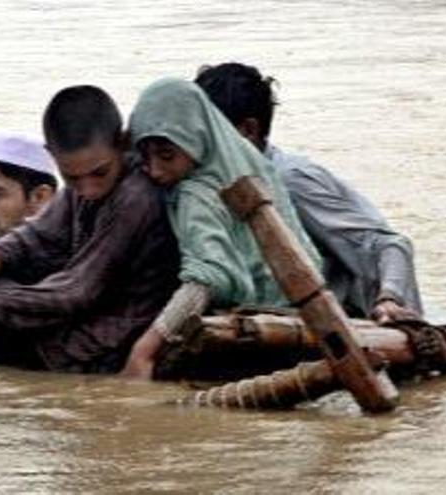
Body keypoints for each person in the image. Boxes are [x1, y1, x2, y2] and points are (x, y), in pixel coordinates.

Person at [0, 85, 180, 373]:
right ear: (53, 157)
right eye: (72, 178)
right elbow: (30, 240)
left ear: (122, 143)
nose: (88, 190)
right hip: (86, 309)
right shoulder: (84, 183)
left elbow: (77, 290)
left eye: (99, 173)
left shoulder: (136, 196)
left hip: (111, 337)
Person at [121, 77, 322, 379]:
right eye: (145, 158)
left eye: (166, 155)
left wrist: (144, 349)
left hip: (262, 326)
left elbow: (208, 278)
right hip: (307, 308)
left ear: (196, 136)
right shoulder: (244, 155)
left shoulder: (195, 194)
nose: (155, 171)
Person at [194, 62, 423, 323]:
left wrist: (389, 299)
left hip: (334, 321)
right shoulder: (210, 181)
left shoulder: (290, 180)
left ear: (248, 130)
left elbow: (387, 245)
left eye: (209, 132)